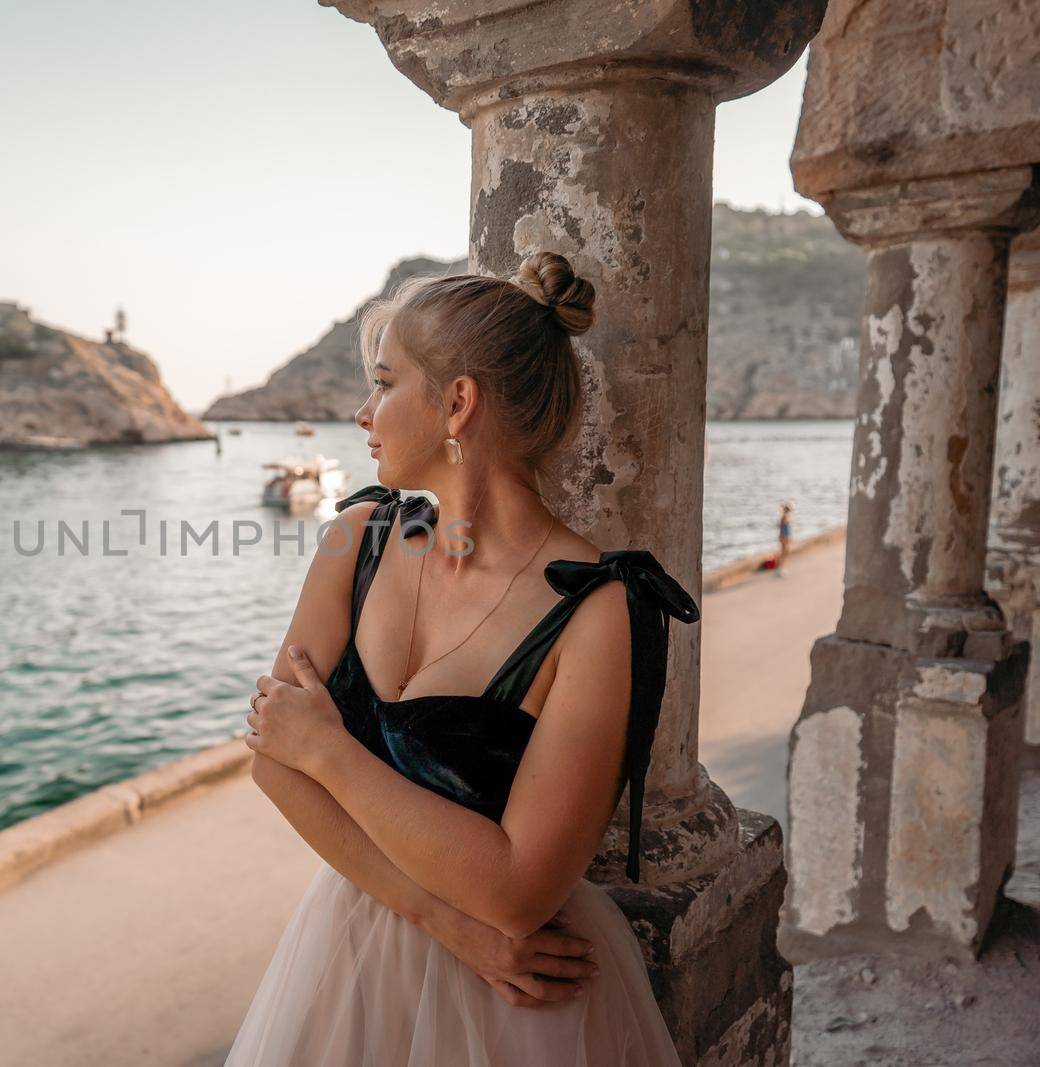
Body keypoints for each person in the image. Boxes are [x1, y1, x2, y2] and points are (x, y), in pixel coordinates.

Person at [229, 253, 698, 1066]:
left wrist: (327, 748)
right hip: (355, 950)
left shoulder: (595, 609)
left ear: (458, 402)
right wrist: (446, 921)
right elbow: (275, 763)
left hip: (515, 1005)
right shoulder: (357, 538)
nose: (362, 411)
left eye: (384, 383)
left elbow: (519, 891)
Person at [776, 501, 794, 577]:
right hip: (784, 536)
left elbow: (784, 527)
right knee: (784, 552)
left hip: (785, 536)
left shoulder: (785, 516)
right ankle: (780, 569)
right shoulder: (784, 517)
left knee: (785, 552)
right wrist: (784, 537)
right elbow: (782, 527)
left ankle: (781, 568)